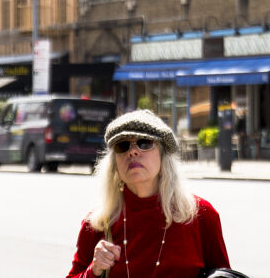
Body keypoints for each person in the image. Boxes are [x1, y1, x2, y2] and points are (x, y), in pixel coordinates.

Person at [66, 109, 231, 278]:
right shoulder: (98, 222)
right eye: (122, 146)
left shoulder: (200, 214)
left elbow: (224, 275)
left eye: (144, 143)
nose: (132, 152)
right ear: (115, 163)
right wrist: (93, 270)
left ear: (163, 155)